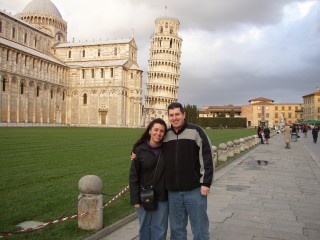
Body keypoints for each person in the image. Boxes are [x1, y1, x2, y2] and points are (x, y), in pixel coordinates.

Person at [163, 102, 214, 240]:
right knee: (176, 229)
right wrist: (135, 152)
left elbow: (207, 156)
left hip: (195, 190)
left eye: (177, 114)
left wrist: (206, 183)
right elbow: (151, 146)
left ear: (184, 114)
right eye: (171, 115)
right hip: (173, 192)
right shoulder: (165, 135)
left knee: (200, 228)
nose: (174, 118)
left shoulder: (196, 131)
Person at [129, 118, 168, 240]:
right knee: (145, 226)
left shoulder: (168, 149)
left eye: (162, 131)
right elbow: (133, 176)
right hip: (144, 195)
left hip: (162, 195)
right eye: (156, 130)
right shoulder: (139, 150)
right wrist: (135, 200)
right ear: (150, 130)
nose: (158, 133)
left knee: (160, 227)